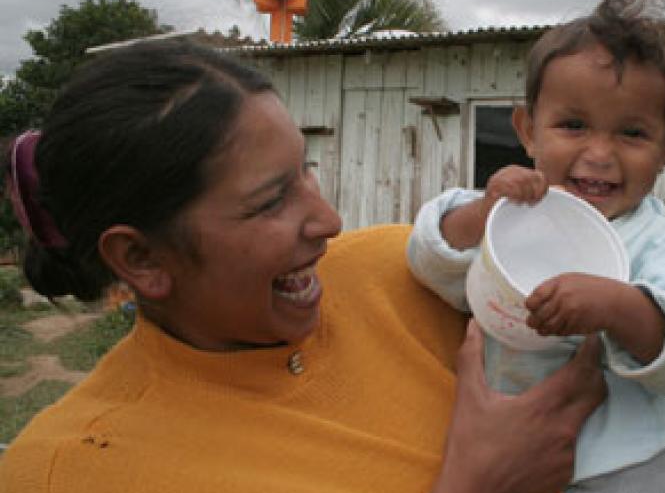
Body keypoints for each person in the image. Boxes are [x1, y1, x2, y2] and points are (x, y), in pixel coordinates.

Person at [0, 40, 608, 493]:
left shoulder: (406, 273)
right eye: (270, 200)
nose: (329, 220)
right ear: (142, 258)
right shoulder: (72, 470)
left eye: (305, 170)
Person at [407, 0, 665, 492]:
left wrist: (624, 307)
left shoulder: (655, 240)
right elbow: (429, 266)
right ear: (528, 129)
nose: (600, 154)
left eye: (632, 133)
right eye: (574, 125)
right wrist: (480, 215)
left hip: (624, 467)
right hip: (499, 452)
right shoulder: (512, 208)